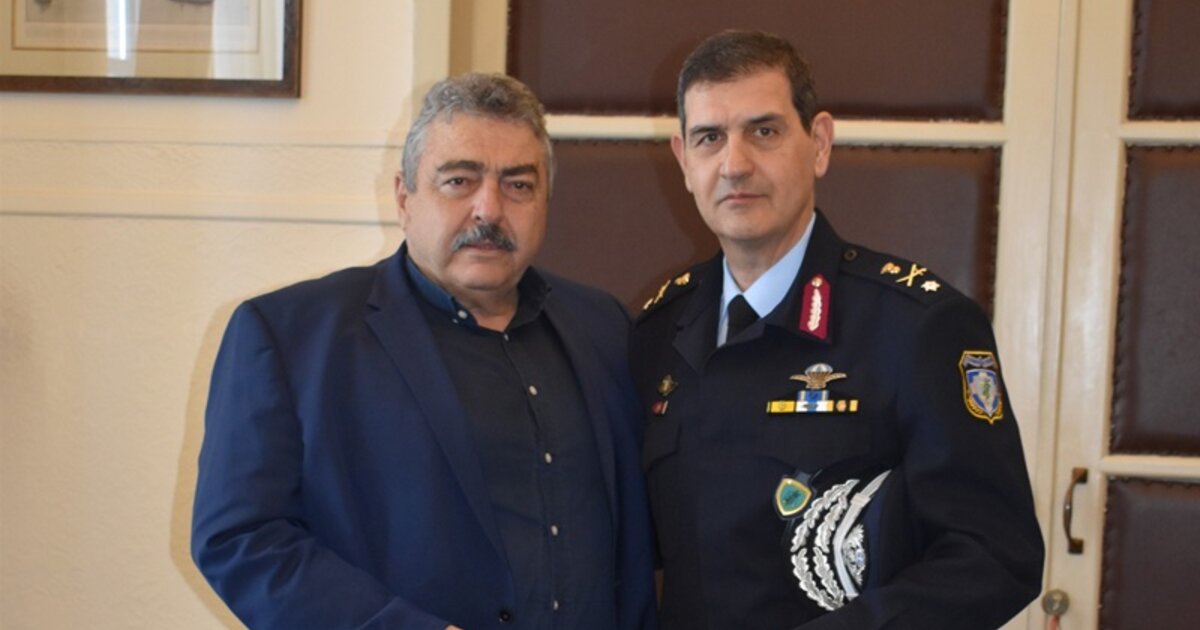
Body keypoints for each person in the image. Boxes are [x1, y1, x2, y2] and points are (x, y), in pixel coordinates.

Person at [192, 73, 658, 630]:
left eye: (518, 184)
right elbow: (240, 538)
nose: (488, 210)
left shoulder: (605, 327)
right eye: (459, 181)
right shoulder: (289, 337)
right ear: (404, 197)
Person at [631, 30, 1044, 629]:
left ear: (819, 143)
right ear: (684, 162)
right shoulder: (658, 333)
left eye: (764, 131)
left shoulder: (917, 327)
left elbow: (996, 555)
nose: (735, 164)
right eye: (709, 138)